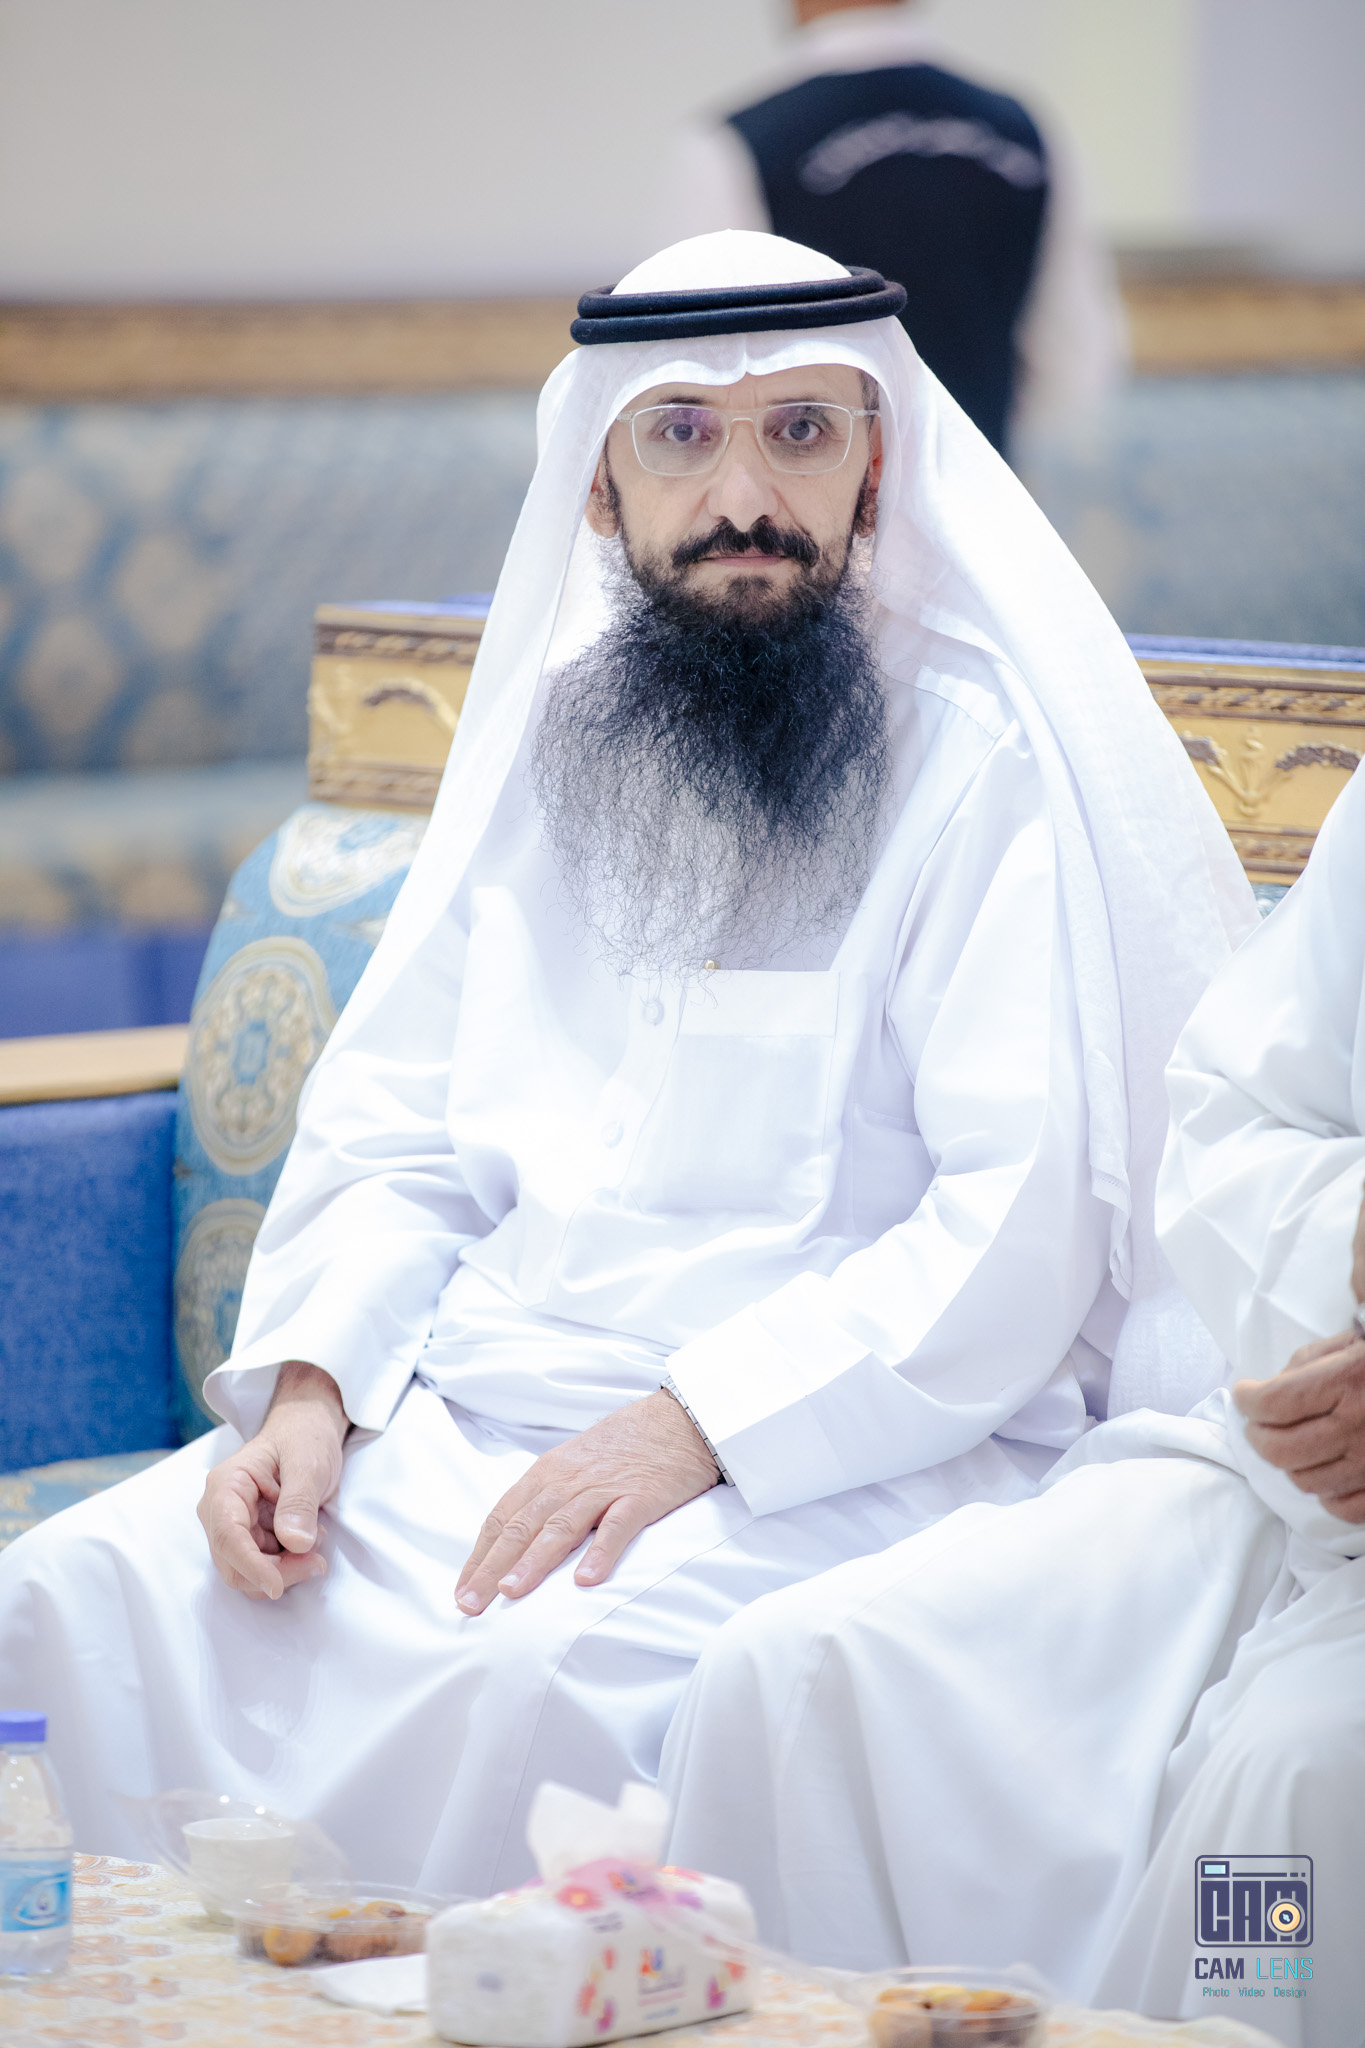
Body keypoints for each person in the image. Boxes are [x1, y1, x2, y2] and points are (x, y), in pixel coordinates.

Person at [0, 230, 1248, 1902]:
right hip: (473, 1413)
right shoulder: (551, 738)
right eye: (680, 435)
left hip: (837, 1448)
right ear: (599, 484)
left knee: (538, 1687)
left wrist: (693, 1424)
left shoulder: (978, 764)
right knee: (80, 1585)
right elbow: (403, 1136)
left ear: (878, 464)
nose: (743, 496)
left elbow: (1015, 1224)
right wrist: (311, 1391)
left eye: (799, 431)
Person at [661, 763, 1365, 2048]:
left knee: (1290, 1804)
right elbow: (1236, 1111)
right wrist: (1345, 1251)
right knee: (795, 1673)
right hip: (1288, 1461)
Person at [655, 0, 1126, 454]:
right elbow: (1076, 358)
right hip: (984, 485)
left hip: (813, 499)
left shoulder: (735, 146)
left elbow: (696, 373)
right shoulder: (1027, 131)